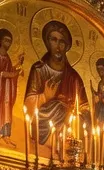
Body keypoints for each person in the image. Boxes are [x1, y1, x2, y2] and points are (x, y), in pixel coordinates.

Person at [24, 20, 87, 150]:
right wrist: (45, 97)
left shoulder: (74, 77)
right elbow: (28, 105)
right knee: (57, 107)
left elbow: (84, 108)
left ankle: (64, 144)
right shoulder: (39, 69)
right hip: (43, 119)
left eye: (62, 42)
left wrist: (75, 113)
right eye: (54, 40)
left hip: (67, 126)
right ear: (47, 42)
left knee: (64, 110)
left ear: (67, 46)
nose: (58, 46)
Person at [0, 29, 24, 145]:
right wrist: (4, 74)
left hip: (6, 91)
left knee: (7, 111)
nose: (8, 43)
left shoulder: (7, 57)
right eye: (6, 40)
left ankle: (6, 136)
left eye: (10, 41)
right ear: (0, 40)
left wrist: (18, 65)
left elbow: (10, 71)